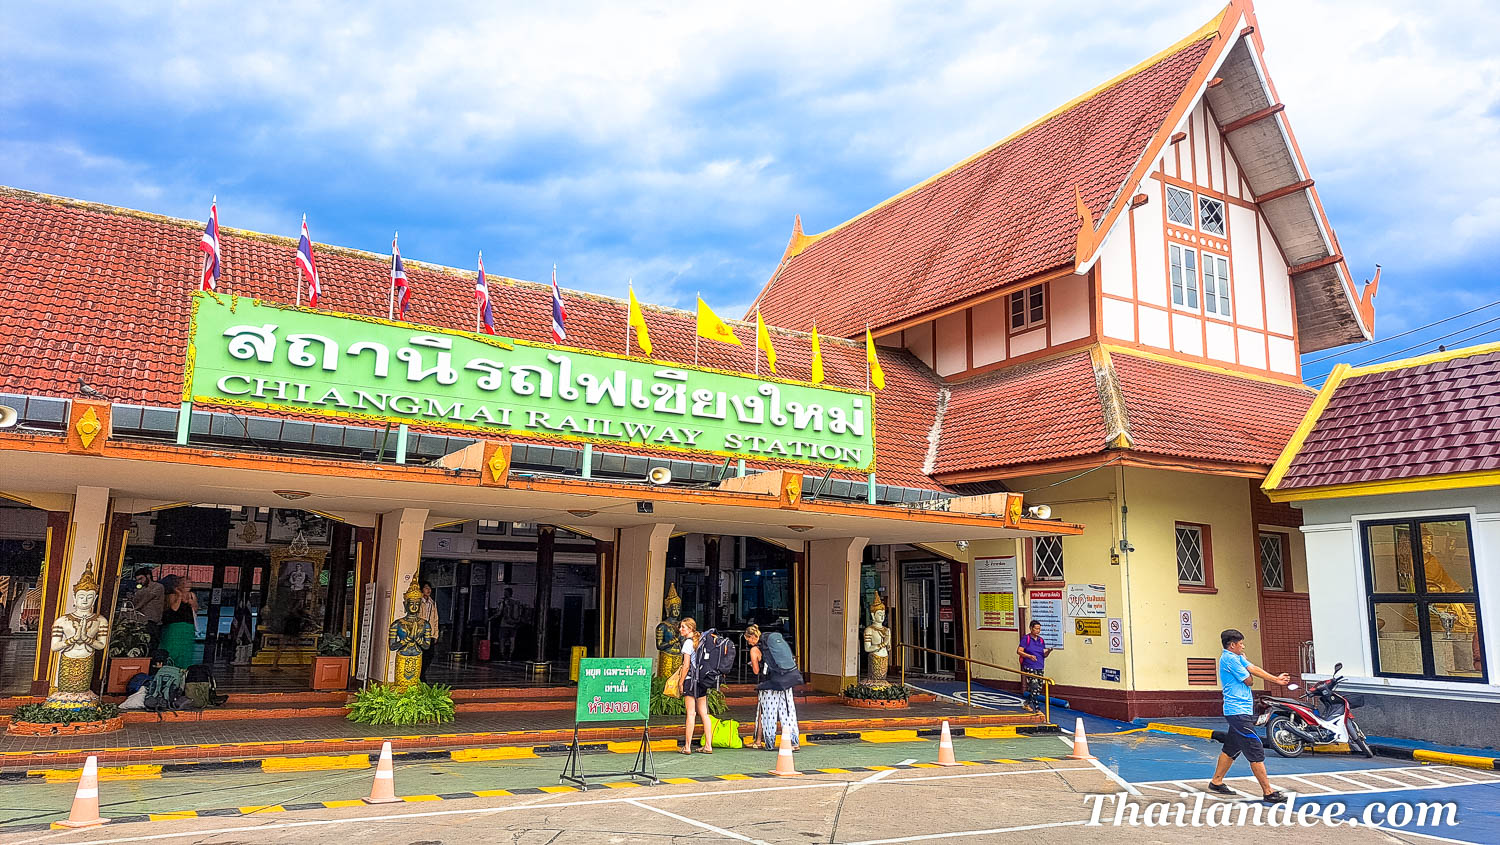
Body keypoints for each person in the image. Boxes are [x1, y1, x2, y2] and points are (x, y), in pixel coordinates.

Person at [1208, 628, 1291, 803]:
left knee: (1232, 747)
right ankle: (1268, 792)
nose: (1243, 646)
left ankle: (1216, 781)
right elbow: (1249, 680)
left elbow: (1253, 668)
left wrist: (1275, 679)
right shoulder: (1229, 659)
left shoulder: (1237, 658)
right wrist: (1274, 680)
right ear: (1232, 645)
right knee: (1255, 748)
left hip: (1240, 711)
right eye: (1240, 644)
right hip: (1237, 712)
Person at [746, 624, 801, 751]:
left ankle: (769, 742)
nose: (748, 642)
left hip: (769, 685)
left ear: (753, 637)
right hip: (785, 680)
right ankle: (793, 742)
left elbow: (756, 670)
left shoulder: (754, 650)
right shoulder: (771, 645)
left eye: (747, 639)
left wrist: (753, 664)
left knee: (767, 713)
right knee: (787, 712)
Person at [675, 617, 714, 754]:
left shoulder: (687, 644)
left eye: (683, 627)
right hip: (702, 681)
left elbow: (686, 666)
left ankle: (687, 747)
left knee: (691, 714)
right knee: (704, 713)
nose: (680, 629)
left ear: (690, 629)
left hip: (691, 680)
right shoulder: (701, 642)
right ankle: (708, 745)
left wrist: (681, 683)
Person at [157, 575, 198, 670]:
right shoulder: (172, 595)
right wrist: (179, 596)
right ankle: (168, 668)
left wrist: (193, 603)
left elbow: (195, 610)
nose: (186, 585)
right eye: (184, 583)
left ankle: (183, 669)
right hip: (174, 625)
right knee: (172, 648)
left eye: (188, 583)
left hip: (188, 625)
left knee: (185, 651)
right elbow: (174, 608)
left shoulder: (192, 595)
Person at [1016, 620, 1052, 712]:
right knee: (1034, 686)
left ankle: (1027, 703)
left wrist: (1048, 651)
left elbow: (1044, 654)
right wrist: (1029, 656)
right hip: (1029, 665)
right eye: (1036, 629)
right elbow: (1019, 651)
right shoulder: (1026, 639)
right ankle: (1037, 708)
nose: (1038, 631)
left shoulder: (1041, 640)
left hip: (1039, 665)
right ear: (1031, 628)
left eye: (1039, 629)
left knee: (1038, 688)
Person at [131, 567, 165, 650]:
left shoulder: (158, 587)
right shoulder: (140, 589)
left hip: (152, 621)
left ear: (148, 576)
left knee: (151, 645)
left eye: (141, 578)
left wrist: (135, 609)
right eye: (137, 580)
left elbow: (147, 598)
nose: (139, 582)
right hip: (141, 621)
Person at [491, 587, 522, 661]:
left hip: (504, 624)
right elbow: (520, 613)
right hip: (514, 624)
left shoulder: (503, 602)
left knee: (502, 639)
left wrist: (491, 618)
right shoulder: (516, 602)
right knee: (512, 640)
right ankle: (511, 655)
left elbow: (498, 613)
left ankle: (502, 655)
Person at [418, 581, 440, 681]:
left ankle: (421, 674)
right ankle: (421, 676)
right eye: (426, 588)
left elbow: (435, 620)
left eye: (429, 588)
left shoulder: (432, 603)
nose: (428, 590)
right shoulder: (418, 602)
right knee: (420, 655)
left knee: (429, 655)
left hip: (429, 634)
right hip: (420, 633)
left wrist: (435, 634)